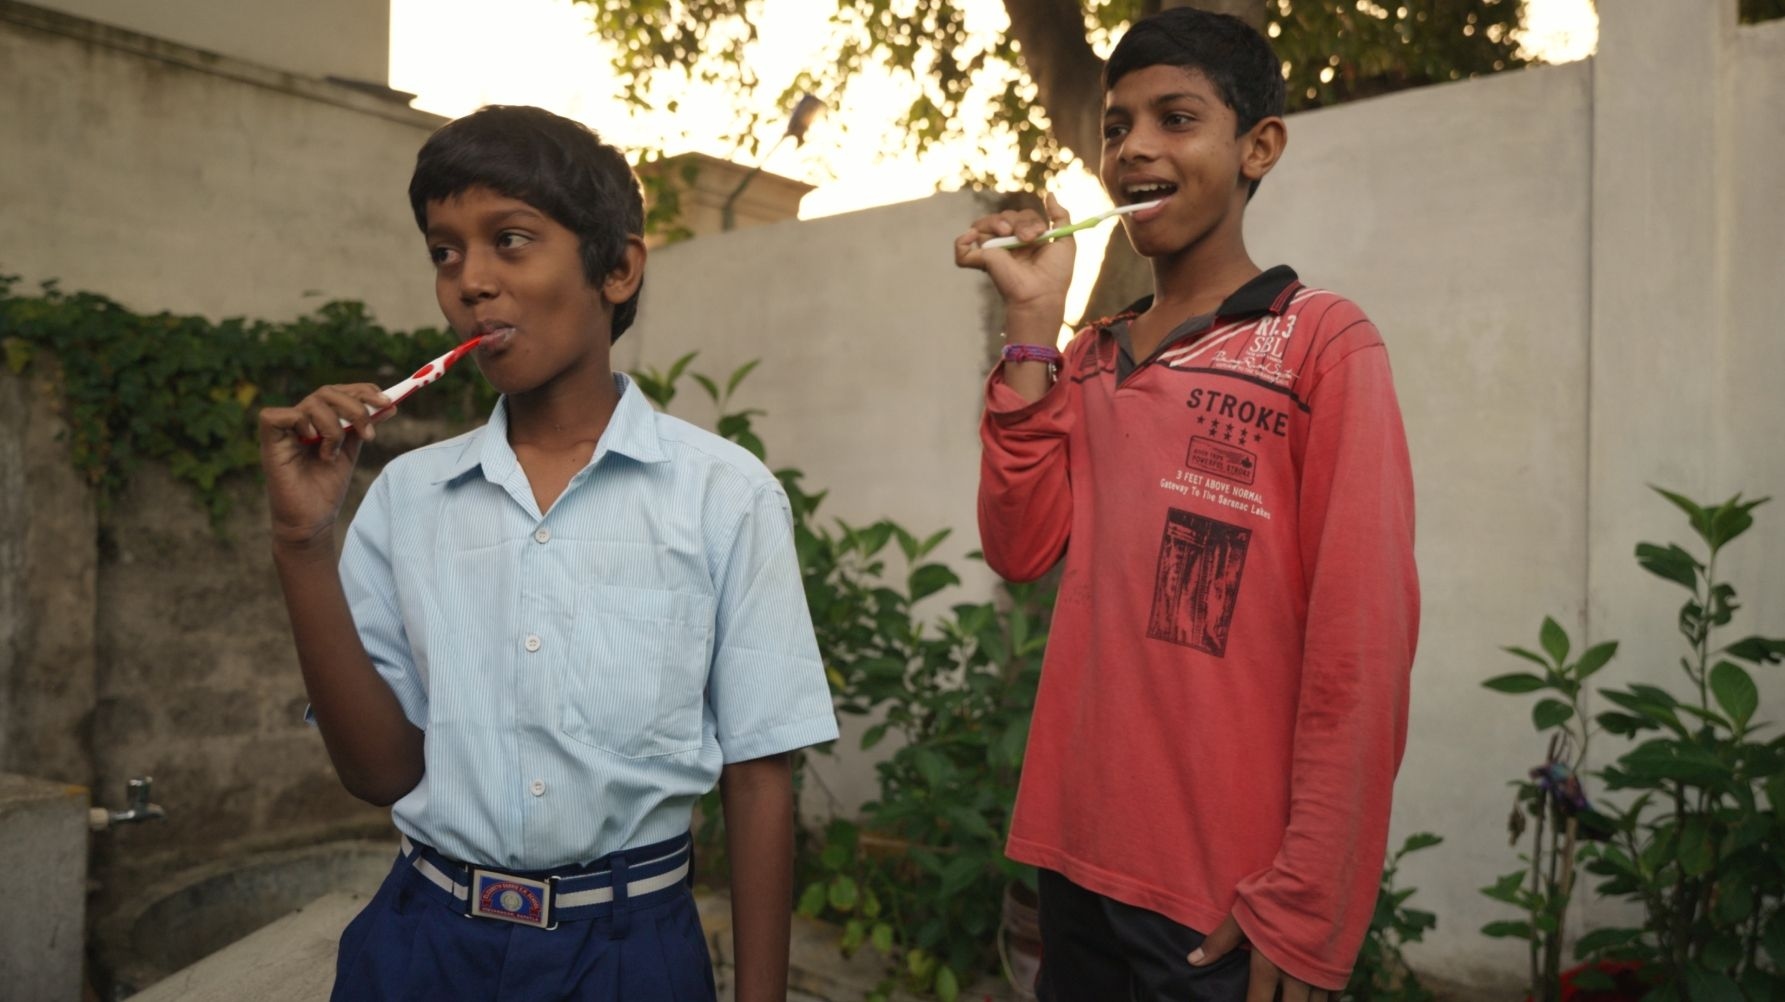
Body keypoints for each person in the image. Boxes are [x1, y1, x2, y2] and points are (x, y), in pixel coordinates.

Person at [257, 105, 838, 1002]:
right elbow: (378, 774)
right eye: (444, 252)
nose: (470, 283)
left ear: (616, 267)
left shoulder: (724, 495)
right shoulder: (408, 497)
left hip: (629, 954)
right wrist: (303, 545)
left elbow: (759, 775)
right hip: (422, 943)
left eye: (511, 240)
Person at [954, 8, 1419, 1001]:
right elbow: (1020, 545)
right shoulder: (1089, 358)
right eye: (1118, 126)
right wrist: (1033, 322)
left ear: (1259, 146)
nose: (1136, 150)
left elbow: (1361, 647)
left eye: (1176, 118)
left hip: (1222, 904)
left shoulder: (1318, 346)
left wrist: (1308, 905)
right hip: (1070, 865)